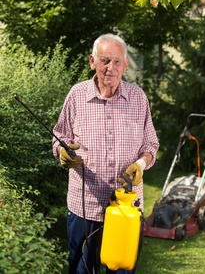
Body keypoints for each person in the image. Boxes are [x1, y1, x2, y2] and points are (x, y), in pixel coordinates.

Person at [52, 33, 159, 274]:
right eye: (104, 60)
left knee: (122, 270)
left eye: (117, 61)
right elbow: (59, 137)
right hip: (85, 208)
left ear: (126, 64)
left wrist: (141, 165)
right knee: (81, 269)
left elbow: (151, 145)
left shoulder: (138, 98)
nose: (110, 68)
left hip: (127, 209)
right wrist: (62, 153)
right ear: (92, 61)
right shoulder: (77, 96)